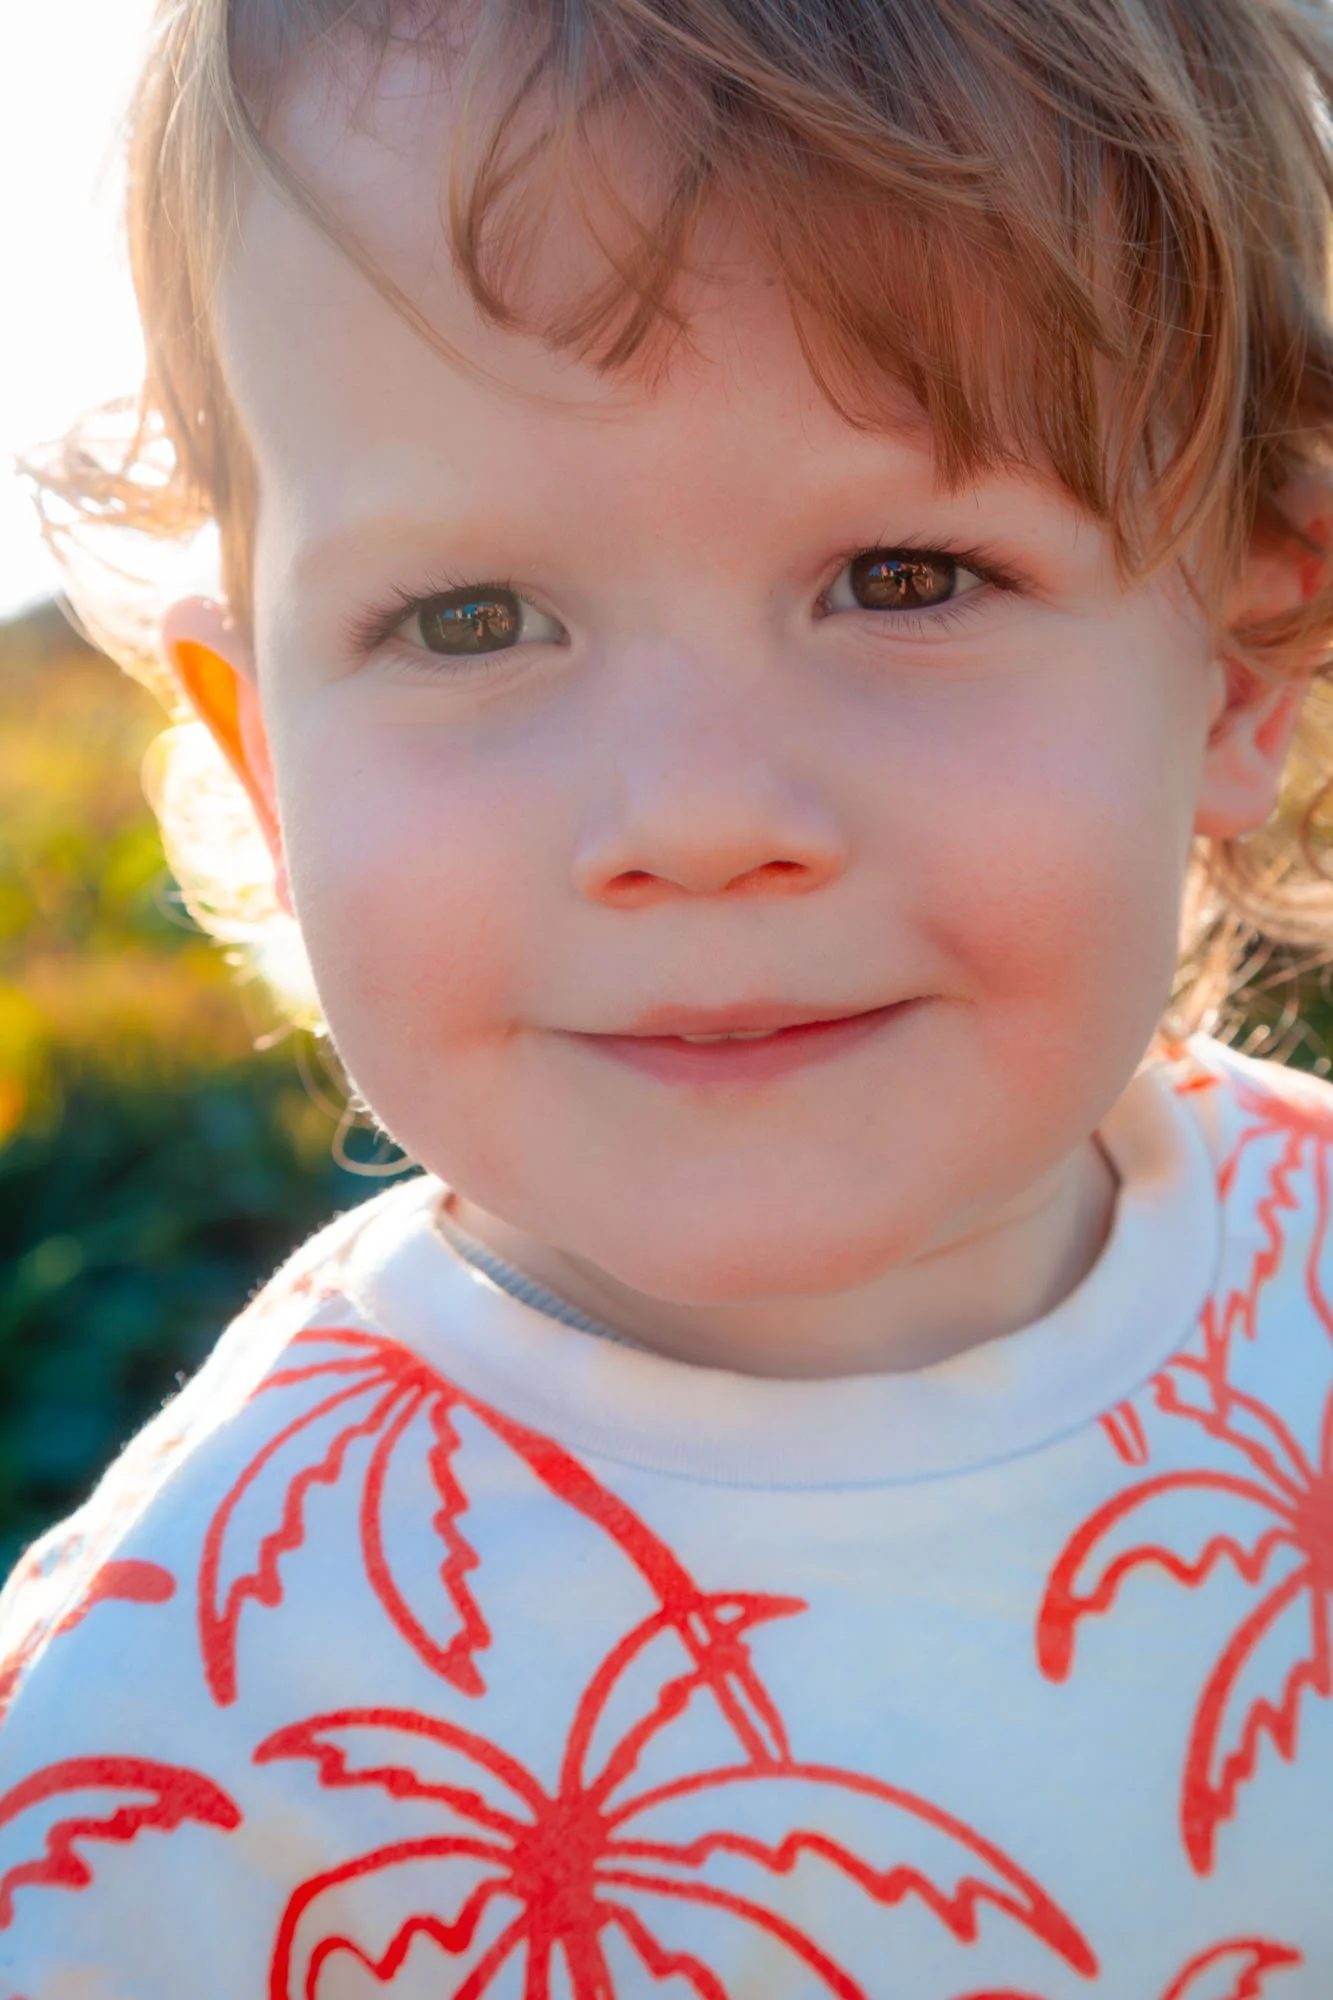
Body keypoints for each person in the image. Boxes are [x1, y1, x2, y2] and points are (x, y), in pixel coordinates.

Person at [5, 0, 1333, 1991]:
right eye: (469, 618)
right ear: (268, 755)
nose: (699, 820)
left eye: (903, 576)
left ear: (1234, 667)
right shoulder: (151, 1753)